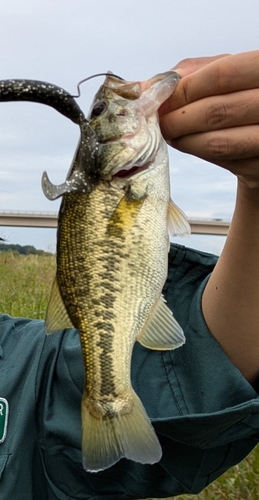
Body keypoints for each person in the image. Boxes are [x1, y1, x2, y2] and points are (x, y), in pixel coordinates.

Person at [1, 50, 259, 499]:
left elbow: (189, 384)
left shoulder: (20, 363)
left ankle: (108, 400)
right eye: (102, 110)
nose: (111, 102)